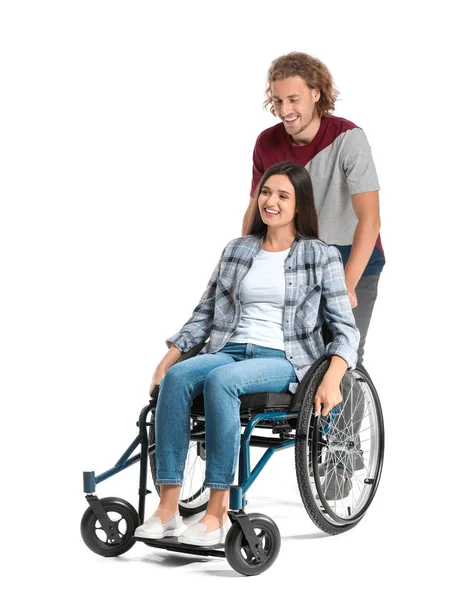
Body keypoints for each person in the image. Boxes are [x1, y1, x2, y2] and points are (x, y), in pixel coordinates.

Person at [134, 162, 359, 547]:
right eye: (266, 192)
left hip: (284, 358)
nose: (270, 201)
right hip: (229, 348)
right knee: (178, 378)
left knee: (222, 382)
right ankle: (168, 509)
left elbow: (345, 329)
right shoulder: (238, 250)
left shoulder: (320, 256)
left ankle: (217, 513)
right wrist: (167, 359)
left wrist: (334, 376)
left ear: (299, 205)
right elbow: (204, 314)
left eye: (282, 195)